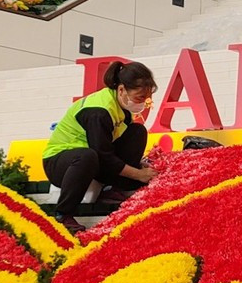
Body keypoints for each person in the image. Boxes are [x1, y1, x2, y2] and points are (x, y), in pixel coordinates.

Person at [41, 61, 159, 224]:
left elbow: (110, 146)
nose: (143, 103)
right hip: (62, 163)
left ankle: (113, 190)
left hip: (94, 161)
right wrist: (138, 174)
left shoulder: (122, 107)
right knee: (87, 156)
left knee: (137, 132)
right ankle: (63, 214)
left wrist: (137, 164)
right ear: (122, 89)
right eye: (140, 97)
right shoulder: (99, 111)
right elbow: (104, 155)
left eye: (147, 98)